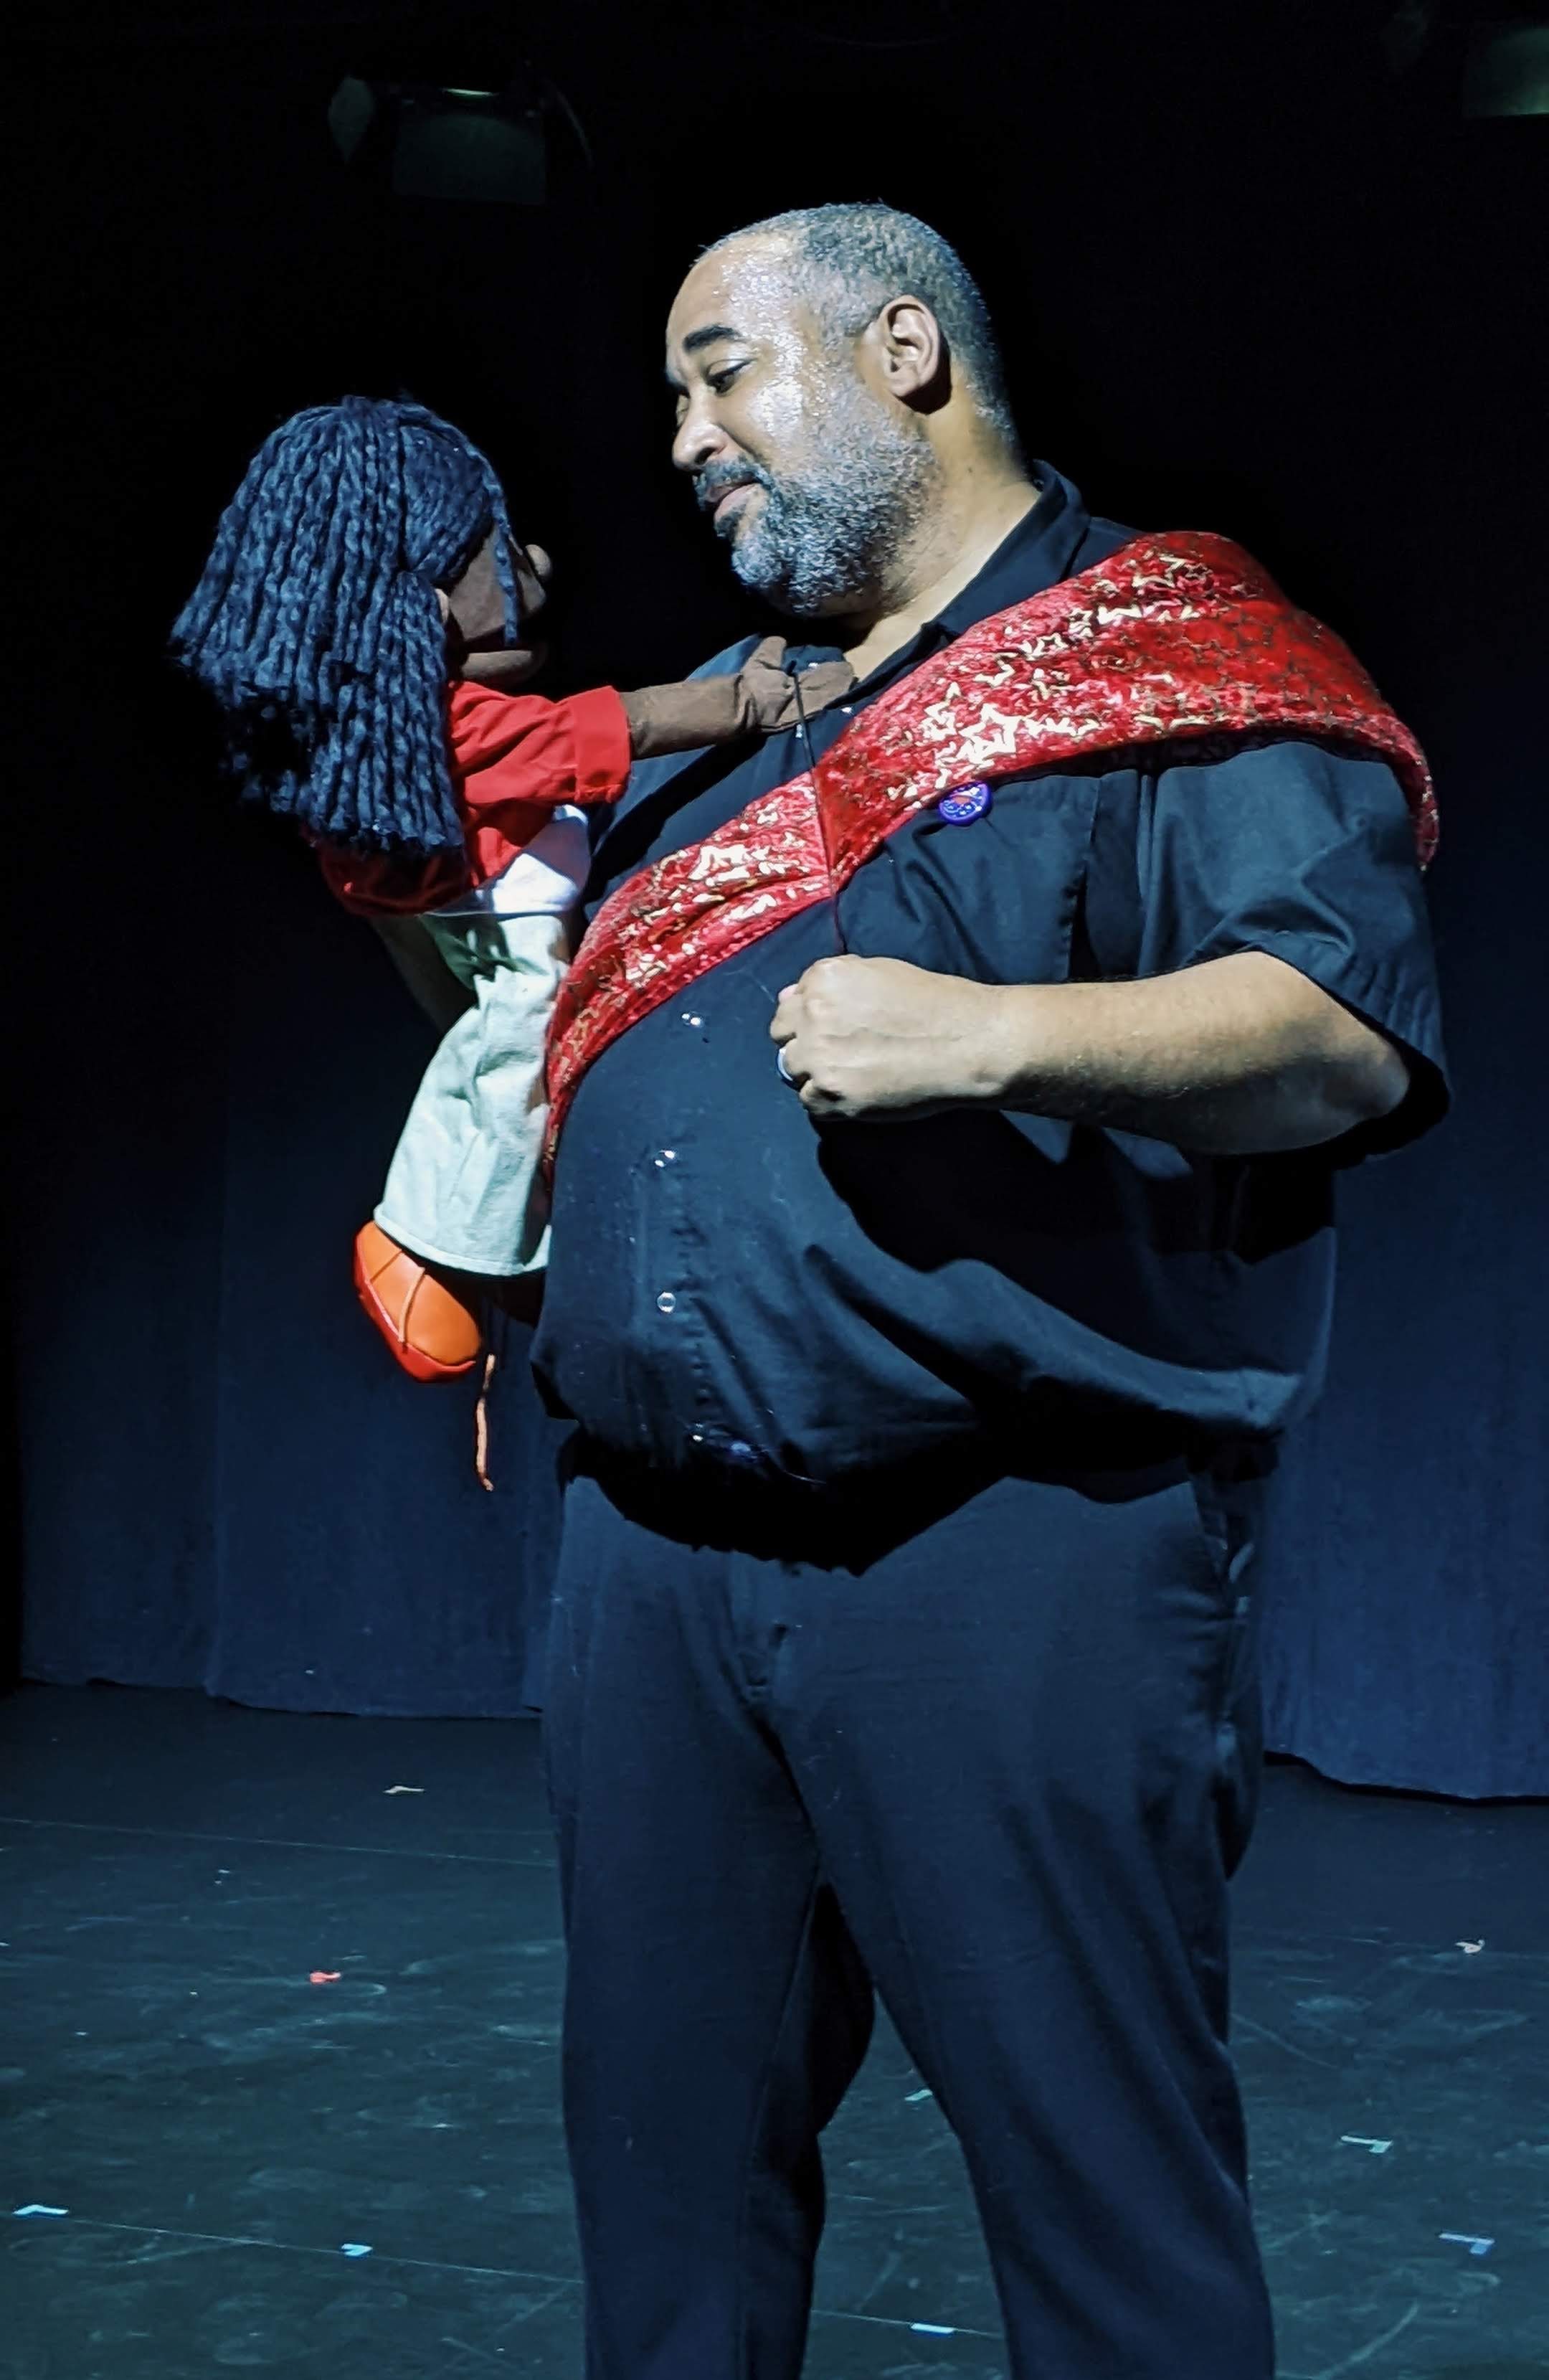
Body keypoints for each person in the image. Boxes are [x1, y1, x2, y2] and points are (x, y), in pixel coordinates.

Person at [529, 204, 1448, 2378]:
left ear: (905, 350)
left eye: (723, 371)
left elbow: (1342, 1032)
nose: (682, 438)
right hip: (652, 1569)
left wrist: (996, 1035)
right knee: (666, 2218)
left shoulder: (1173, 663)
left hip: (1006, 1547)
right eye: (673, 391)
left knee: (1104, 2216)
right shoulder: (740, 737)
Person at [171, 397, 850, 1379]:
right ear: (430, 602)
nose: (529, 566)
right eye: (496, 553)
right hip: (499, 912)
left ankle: (492, 1229)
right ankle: (430, 1242)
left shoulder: (377, 725)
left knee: (484, 1039)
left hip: (428, 910)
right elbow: (625, 722)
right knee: (519, 1032)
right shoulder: (466, 732)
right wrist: (754, 698)